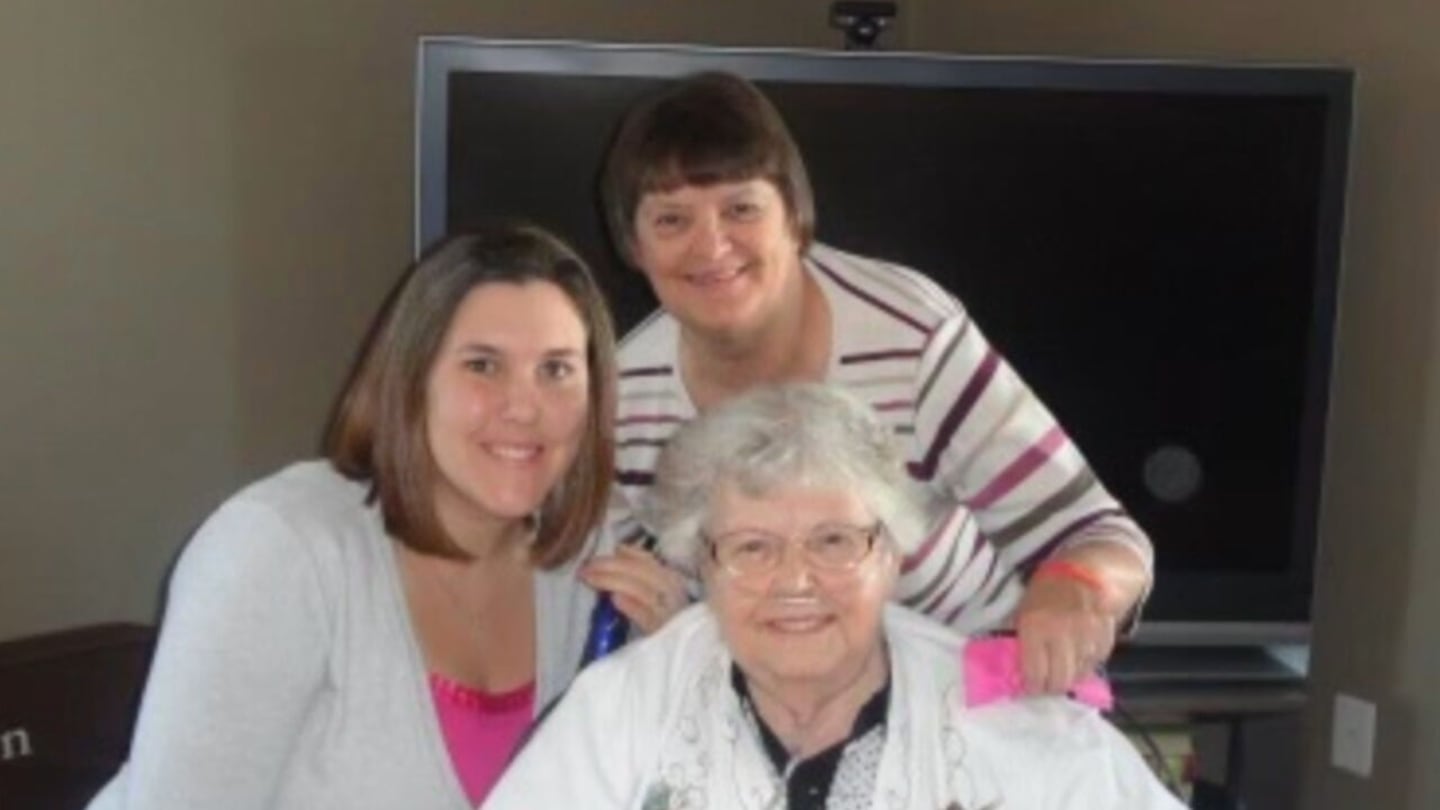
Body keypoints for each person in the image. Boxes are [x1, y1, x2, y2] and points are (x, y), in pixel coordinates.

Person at [583, 71, 1153, 694]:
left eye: (741, 209)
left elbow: (1103, 537)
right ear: (633, 245)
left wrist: (1075, 588)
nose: (711, 245)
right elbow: (625, 604)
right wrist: (666, 625)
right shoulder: (619, 401)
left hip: (968, 697)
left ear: (794, 215)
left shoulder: (913, 338)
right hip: (760, 710)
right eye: (671, 220)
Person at [87, 224, 618, 809]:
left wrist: (665, 662)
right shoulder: (276, 550)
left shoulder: (591, 573)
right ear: (411, 380)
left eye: (556, 370)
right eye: (483, 365)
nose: (524, 407)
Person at [487, 384, 1184, 809]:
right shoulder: (621, 711)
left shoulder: (1015, 729)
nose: (796, 582)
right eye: (752, 548)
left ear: (893, 554)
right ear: (701, 562)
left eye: (832, 542)